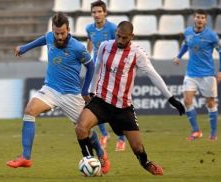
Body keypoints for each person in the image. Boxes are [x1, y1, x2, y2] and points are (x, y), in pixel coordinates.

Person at [75, 21, 185, 176]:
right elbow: (98, 66)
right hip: (101, 101)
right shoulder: (104, 46)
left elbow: (153, 75)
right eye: (118, 36)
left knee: (138, 148)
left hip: (123, 108)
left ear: (132, 36)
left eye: (124, 38)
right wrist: (92, 91)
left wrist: (171, 99)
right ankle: (90, 162)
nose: (120, 40)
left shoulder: (137, 53)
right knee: (80, 128)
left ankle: (146, 163)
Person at [6, 12, 110, 174]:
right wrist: (25, 48)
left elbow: (90, 67)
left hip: (71, 94)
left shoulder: (77, 47)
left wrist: (85, 90)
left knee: (84, 129)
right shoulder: (50, 37)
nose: (59, 36)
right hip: (51, 89)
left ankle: (101, 154)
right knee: (30, 110)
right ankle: (26, 157)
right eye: (56, 33)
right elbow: (43, 38)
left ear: (68, 30)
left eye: (62, 33)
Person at [173, 9, 221, 141]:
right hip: (191, 73)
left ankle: (213, 133)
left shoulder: (212, 35)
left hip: (207, 74)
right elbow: (186, 45)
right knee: (187, 100)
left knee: (210, 103)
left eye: (202, 17)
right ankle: (196, 131)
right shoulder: (188, 32)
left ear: (205, 20)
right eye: (198, 17)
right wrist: (179, 56)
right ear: (194, 18)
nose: (200, 19)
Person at [86, 0, 126, 151]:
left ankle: (121, 138)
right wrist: (87, 58)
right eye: (94, 12)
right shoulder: (89, 28)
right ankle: (104, 134)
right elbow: (90, 43)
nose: (96, 15)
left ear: (105, 13)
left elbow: (120, 47)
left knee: (115, 105)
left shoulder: (113, 28)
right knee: (92, 102)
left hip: (111, 71)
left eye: (99, 12)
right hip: (97, 71)